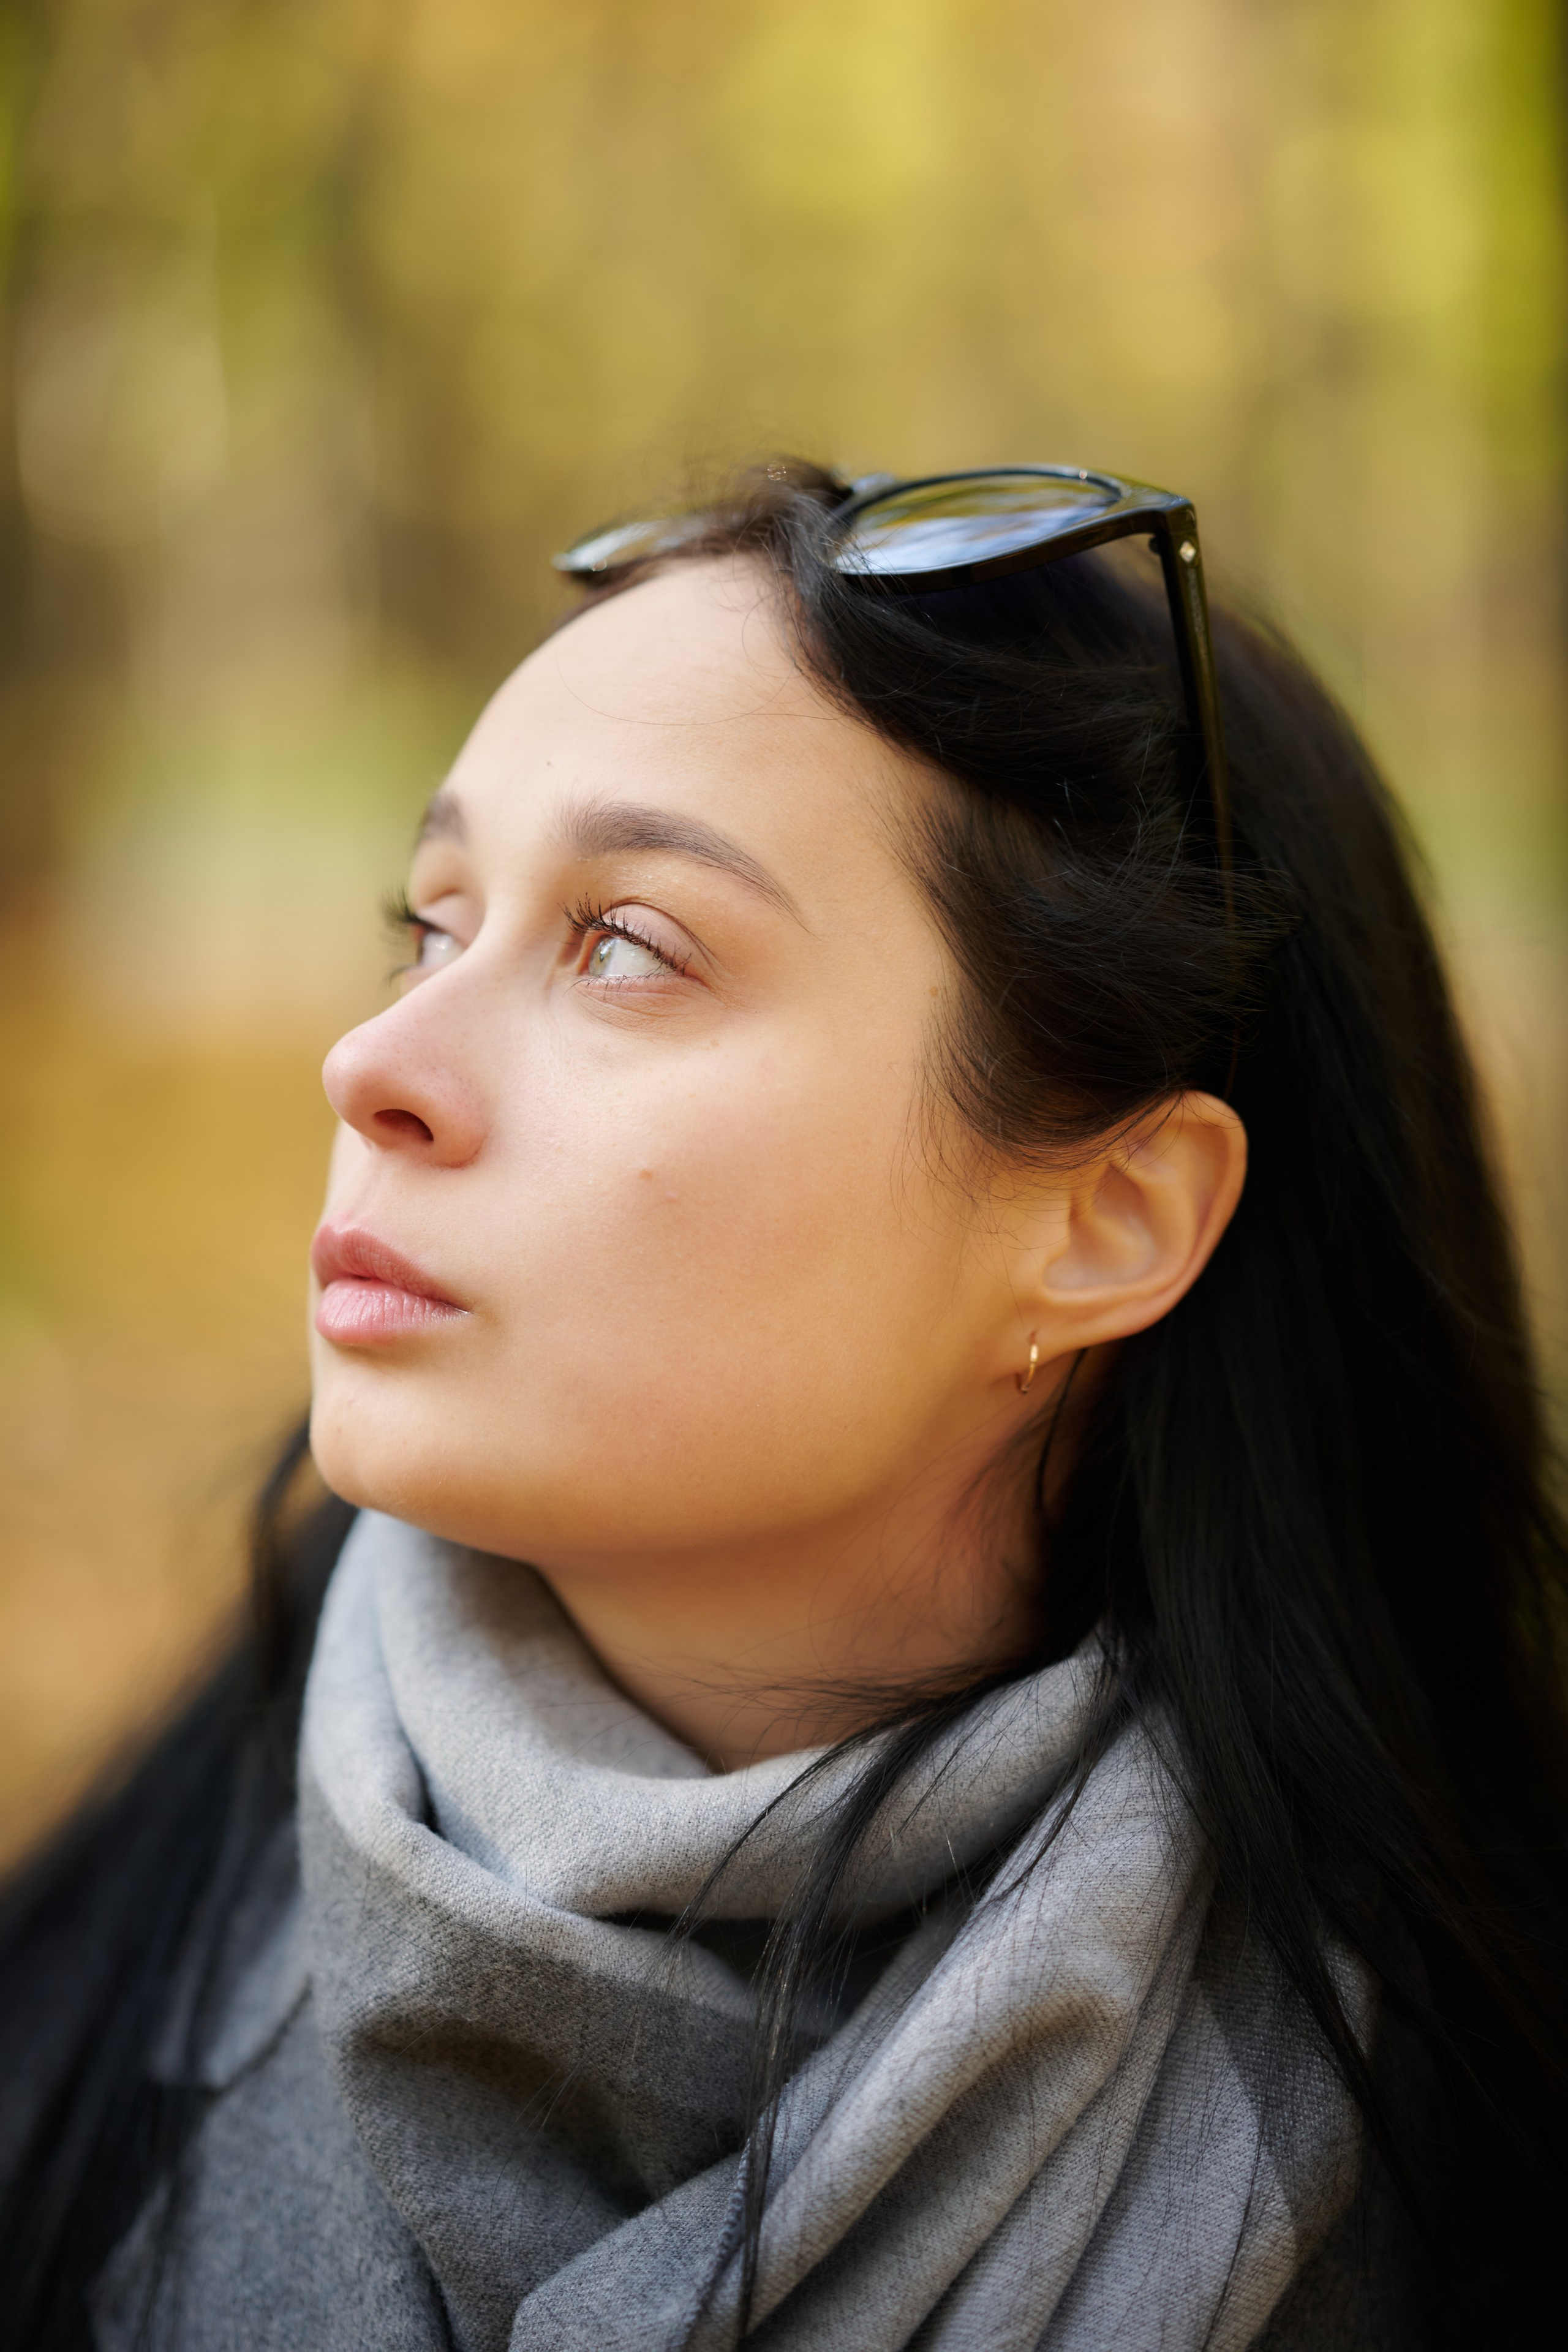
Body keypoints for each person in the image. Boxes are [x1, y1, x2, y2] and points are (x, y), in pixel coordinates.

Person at [2, 459, 1564, 2351]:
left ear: (1103, 1223)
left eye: (627, 946)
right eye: (433, 924)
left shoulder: (1451, 2198)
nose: (373, 1063)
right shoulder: (81, 2024)